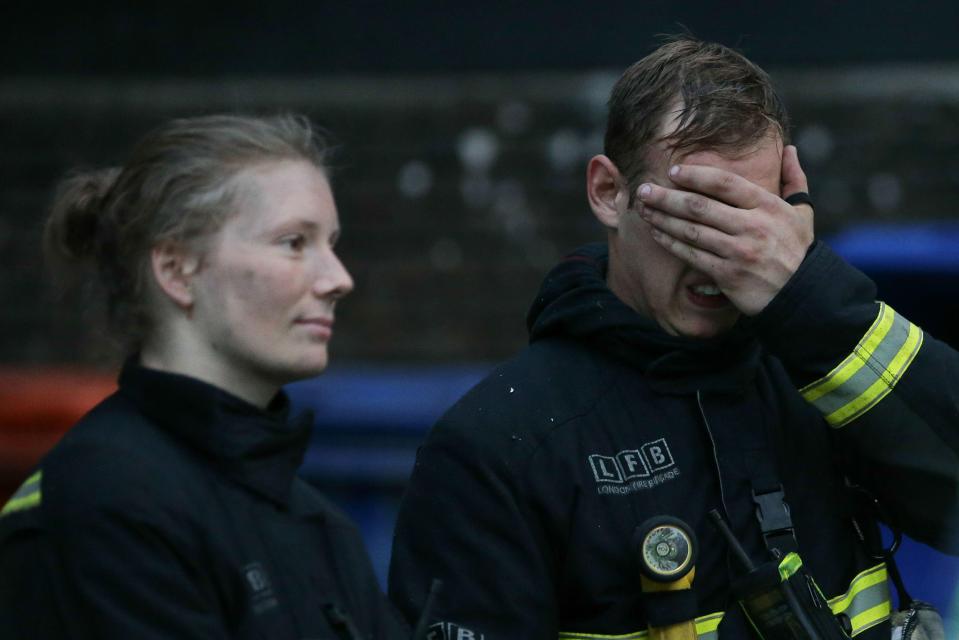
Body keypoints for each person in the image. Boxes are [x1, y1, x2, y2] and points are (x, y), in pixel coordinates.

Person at [388, 37, 959, 639]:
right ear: (609, 193)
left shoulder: (821, 374)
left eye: (751, 220)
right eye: (696, 213)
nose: (723, 259)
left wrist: (812, 298)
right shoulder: (496, 450)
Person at [0, 114, 409, 639]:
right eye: (293, 242)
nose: (338, 279)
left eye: (331, 243)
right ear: (176, 271)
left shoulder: (316, 523)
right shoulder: (107, 501)